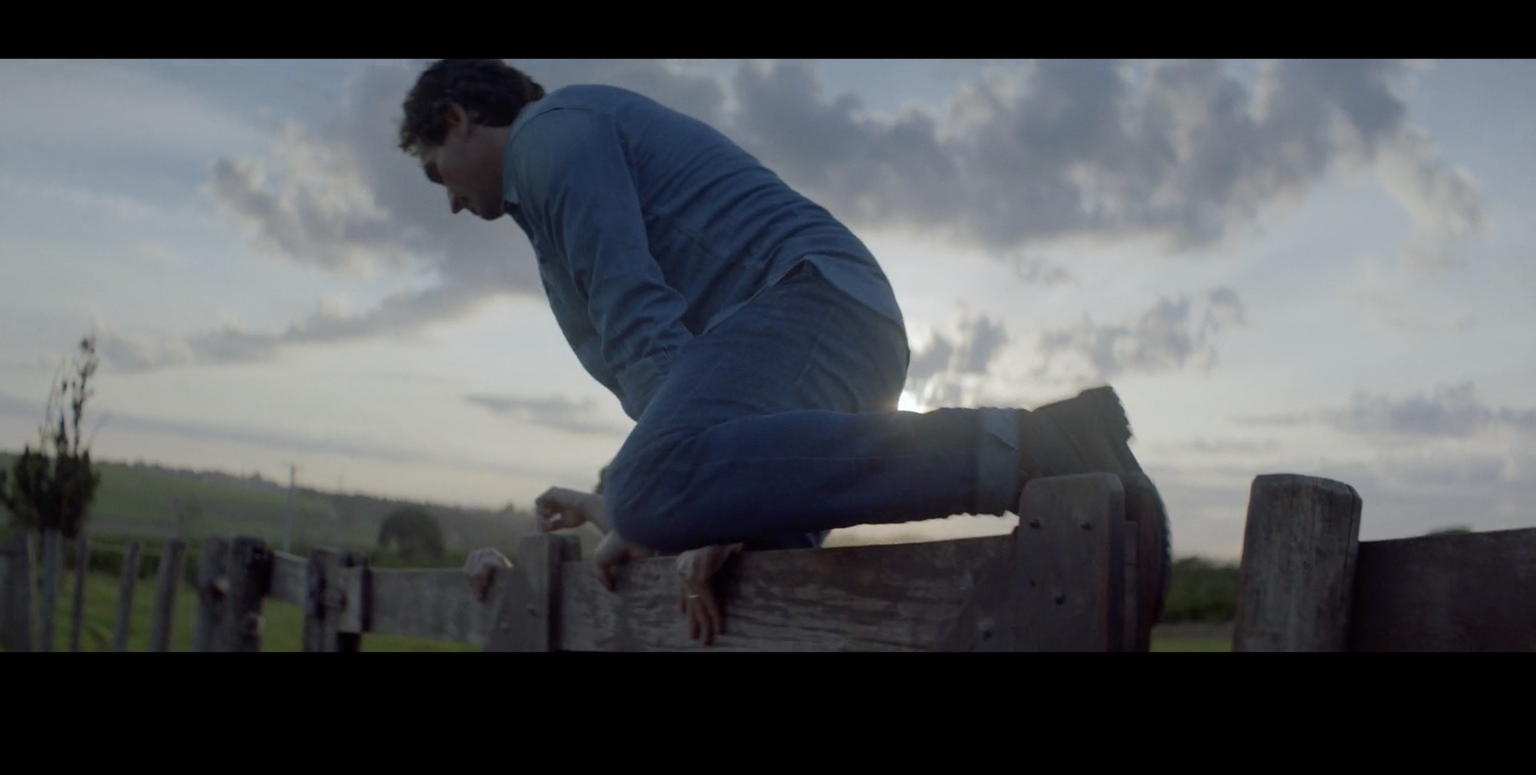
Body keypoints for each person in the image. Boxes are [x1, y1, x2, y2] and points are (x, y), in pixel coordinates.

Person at [402, 59, 1171, 647]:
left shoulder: (551, 136)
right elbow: (688, 396)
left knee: (649, 495)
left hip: (814, 304)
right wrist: (686, 509)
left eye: (437, 175)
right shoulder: (545, 191)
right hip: (817, 341)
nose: (451, 202)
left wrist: (661, 497)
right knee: (740, 589)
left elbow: (638, 316)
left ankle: (1040, 445)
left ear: (457, 116)